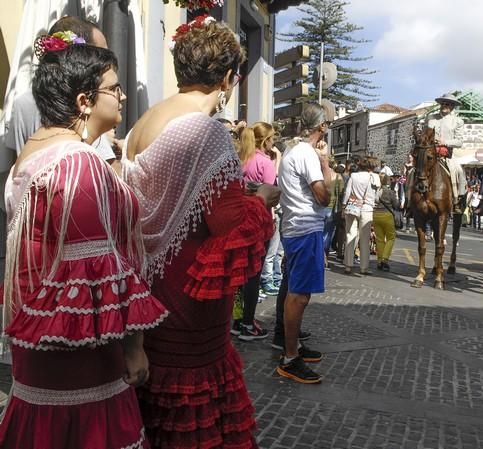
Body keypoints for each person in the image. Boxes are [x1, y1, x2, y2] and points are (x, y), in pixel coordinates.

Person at [0, 36, 167, 449]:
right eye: (114, 88)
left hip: (38, 342)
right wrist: (134, 349)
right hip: (80, 350)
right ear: (84, 101)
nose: (122, 95)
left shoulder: (32, 153)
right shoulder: (79, 164)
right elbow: (99, 272)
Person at [121, 16, 278, 448]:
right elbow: (233, 228)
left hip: (145, 295)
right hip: (188, 304)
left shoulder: (142, 123)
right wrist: (262, 199)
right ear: (228, 78)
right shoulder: (206, 133)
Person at [6, 16, 117, 163]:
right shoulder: (85, 106)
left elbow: (16, 160)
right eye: (101, 54)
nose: (106, 61)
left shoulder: (22, 102)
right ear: (82, 58)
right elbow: (110, 168)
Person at [276, 103, 332, 384]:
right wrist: (325, 163)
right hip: (305, 228)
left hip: (295, 227)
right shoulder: (307, 154)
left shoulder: (291, 150)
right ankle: (289, 358)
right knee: (299, 295)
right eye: (329, 125)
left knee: (295, 291)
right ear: (320, 127)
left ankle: (293, 347)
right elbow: (324, 197)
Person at [231, 122, 278, 340]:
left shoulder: (241, 160)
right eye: (273, 138)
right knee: (254, 273)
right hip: (260, 221)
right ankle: (249, 323)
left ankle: (237, 319)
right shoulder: (265, 163)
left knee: (240, 271)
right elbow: (270, 195)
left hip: (240, 220)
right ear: (266, 140)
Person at [427, 93, 467, 212]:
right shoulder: (431, 118)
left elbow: (459, 141)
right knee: (413, 171)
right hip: (429, 152)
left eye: (447, 104)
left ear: (452, 106)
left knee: (459, 172)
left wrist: (445, 142)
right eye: (443, 103)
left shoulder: (458, 121)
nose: (444, 105)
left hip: (447, 155)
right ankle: (408, 202)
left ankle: (457, 200)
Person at [342, 156, 381, 275]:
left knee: (350, 234)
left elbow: (347, 192)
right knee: (365, 239)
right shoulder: (374, 177)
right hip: (367, 208)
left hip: (352, 206)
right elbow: (377, 196)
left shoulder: (353, 176)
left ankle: (348, 265)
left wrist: (344, 205)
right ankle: (364, 267)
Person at [374, 173, 399, 271]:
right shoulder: (390, 192)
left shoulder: (376, 191)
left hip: (376, 215)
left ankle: (379, 260)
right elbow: (396, 205)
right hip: (387, 216)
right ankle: (385, 258)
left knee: (379, 239)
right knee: (391, 238)